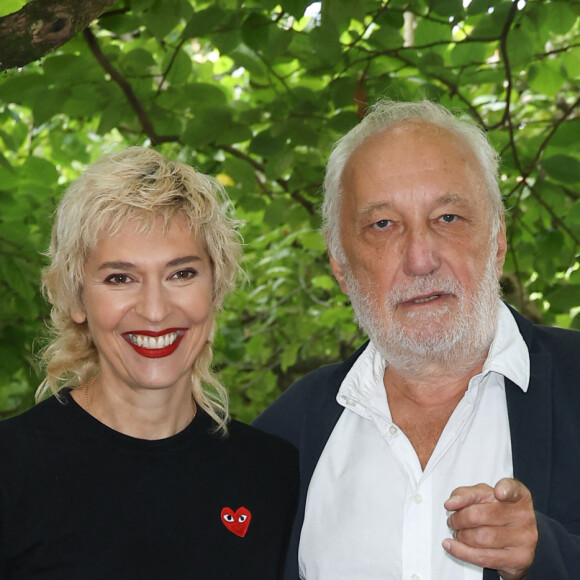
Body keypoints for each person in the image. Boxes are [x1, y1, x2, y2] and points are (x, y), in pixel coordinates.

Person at [253, 99, 580, 580]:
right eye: (383, 225)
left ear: (497, 238)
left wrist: (546, 554)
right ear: (341, 265)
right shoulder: (284, 438)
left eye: (448, 218)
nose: (420, 258)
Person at [0, 147, 298, 579]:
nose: (155, 310)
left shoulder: (272, 473)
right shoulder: (12, 468)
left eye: (181, 274)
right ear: (76, 297)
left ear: (216, 288)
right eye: (120, 278)